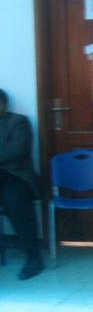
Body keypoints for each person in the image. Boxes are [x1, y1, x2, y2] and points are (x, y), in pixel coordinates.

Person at [0, 89, 44, 280]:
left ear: (4, 104)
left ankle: (33, 257)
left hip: (15, 175)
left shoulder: (18, 122)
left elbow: (16, 150)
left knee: (15, 201)